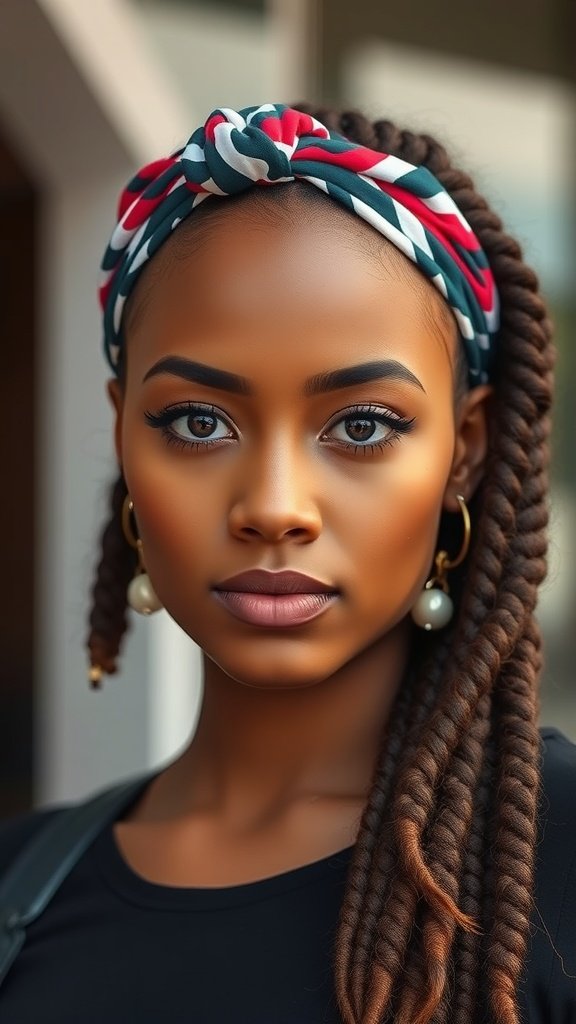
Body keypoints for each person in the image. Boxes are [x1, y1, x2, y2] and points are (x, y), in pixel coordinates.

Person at [0, 102, 574, 1024]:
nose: (273, 506)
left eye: (361, 425)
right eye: (197, 422)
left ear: (464, 450)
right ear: (122, 435)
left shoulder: (556, 869)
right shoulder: (21, 884)